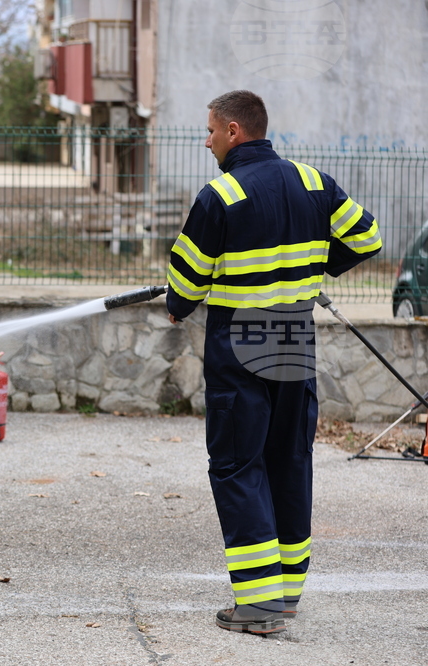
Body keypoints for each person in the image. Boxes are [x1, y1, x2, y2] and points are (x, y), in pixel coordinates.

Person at [166, 90, 382, 635]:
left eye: (211, 130)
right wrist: (318, 265)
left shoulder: (221, 194)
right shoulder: (313, 181)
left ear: (235, 131)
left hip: (240, 340)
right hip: (292, 334)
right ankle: (284, 595)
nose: (207, 139)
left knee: (239, 464)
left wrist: (179, 302)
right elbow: (368, 237)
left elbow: (185, 285)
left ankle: (257, 607)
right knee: (289, 459)